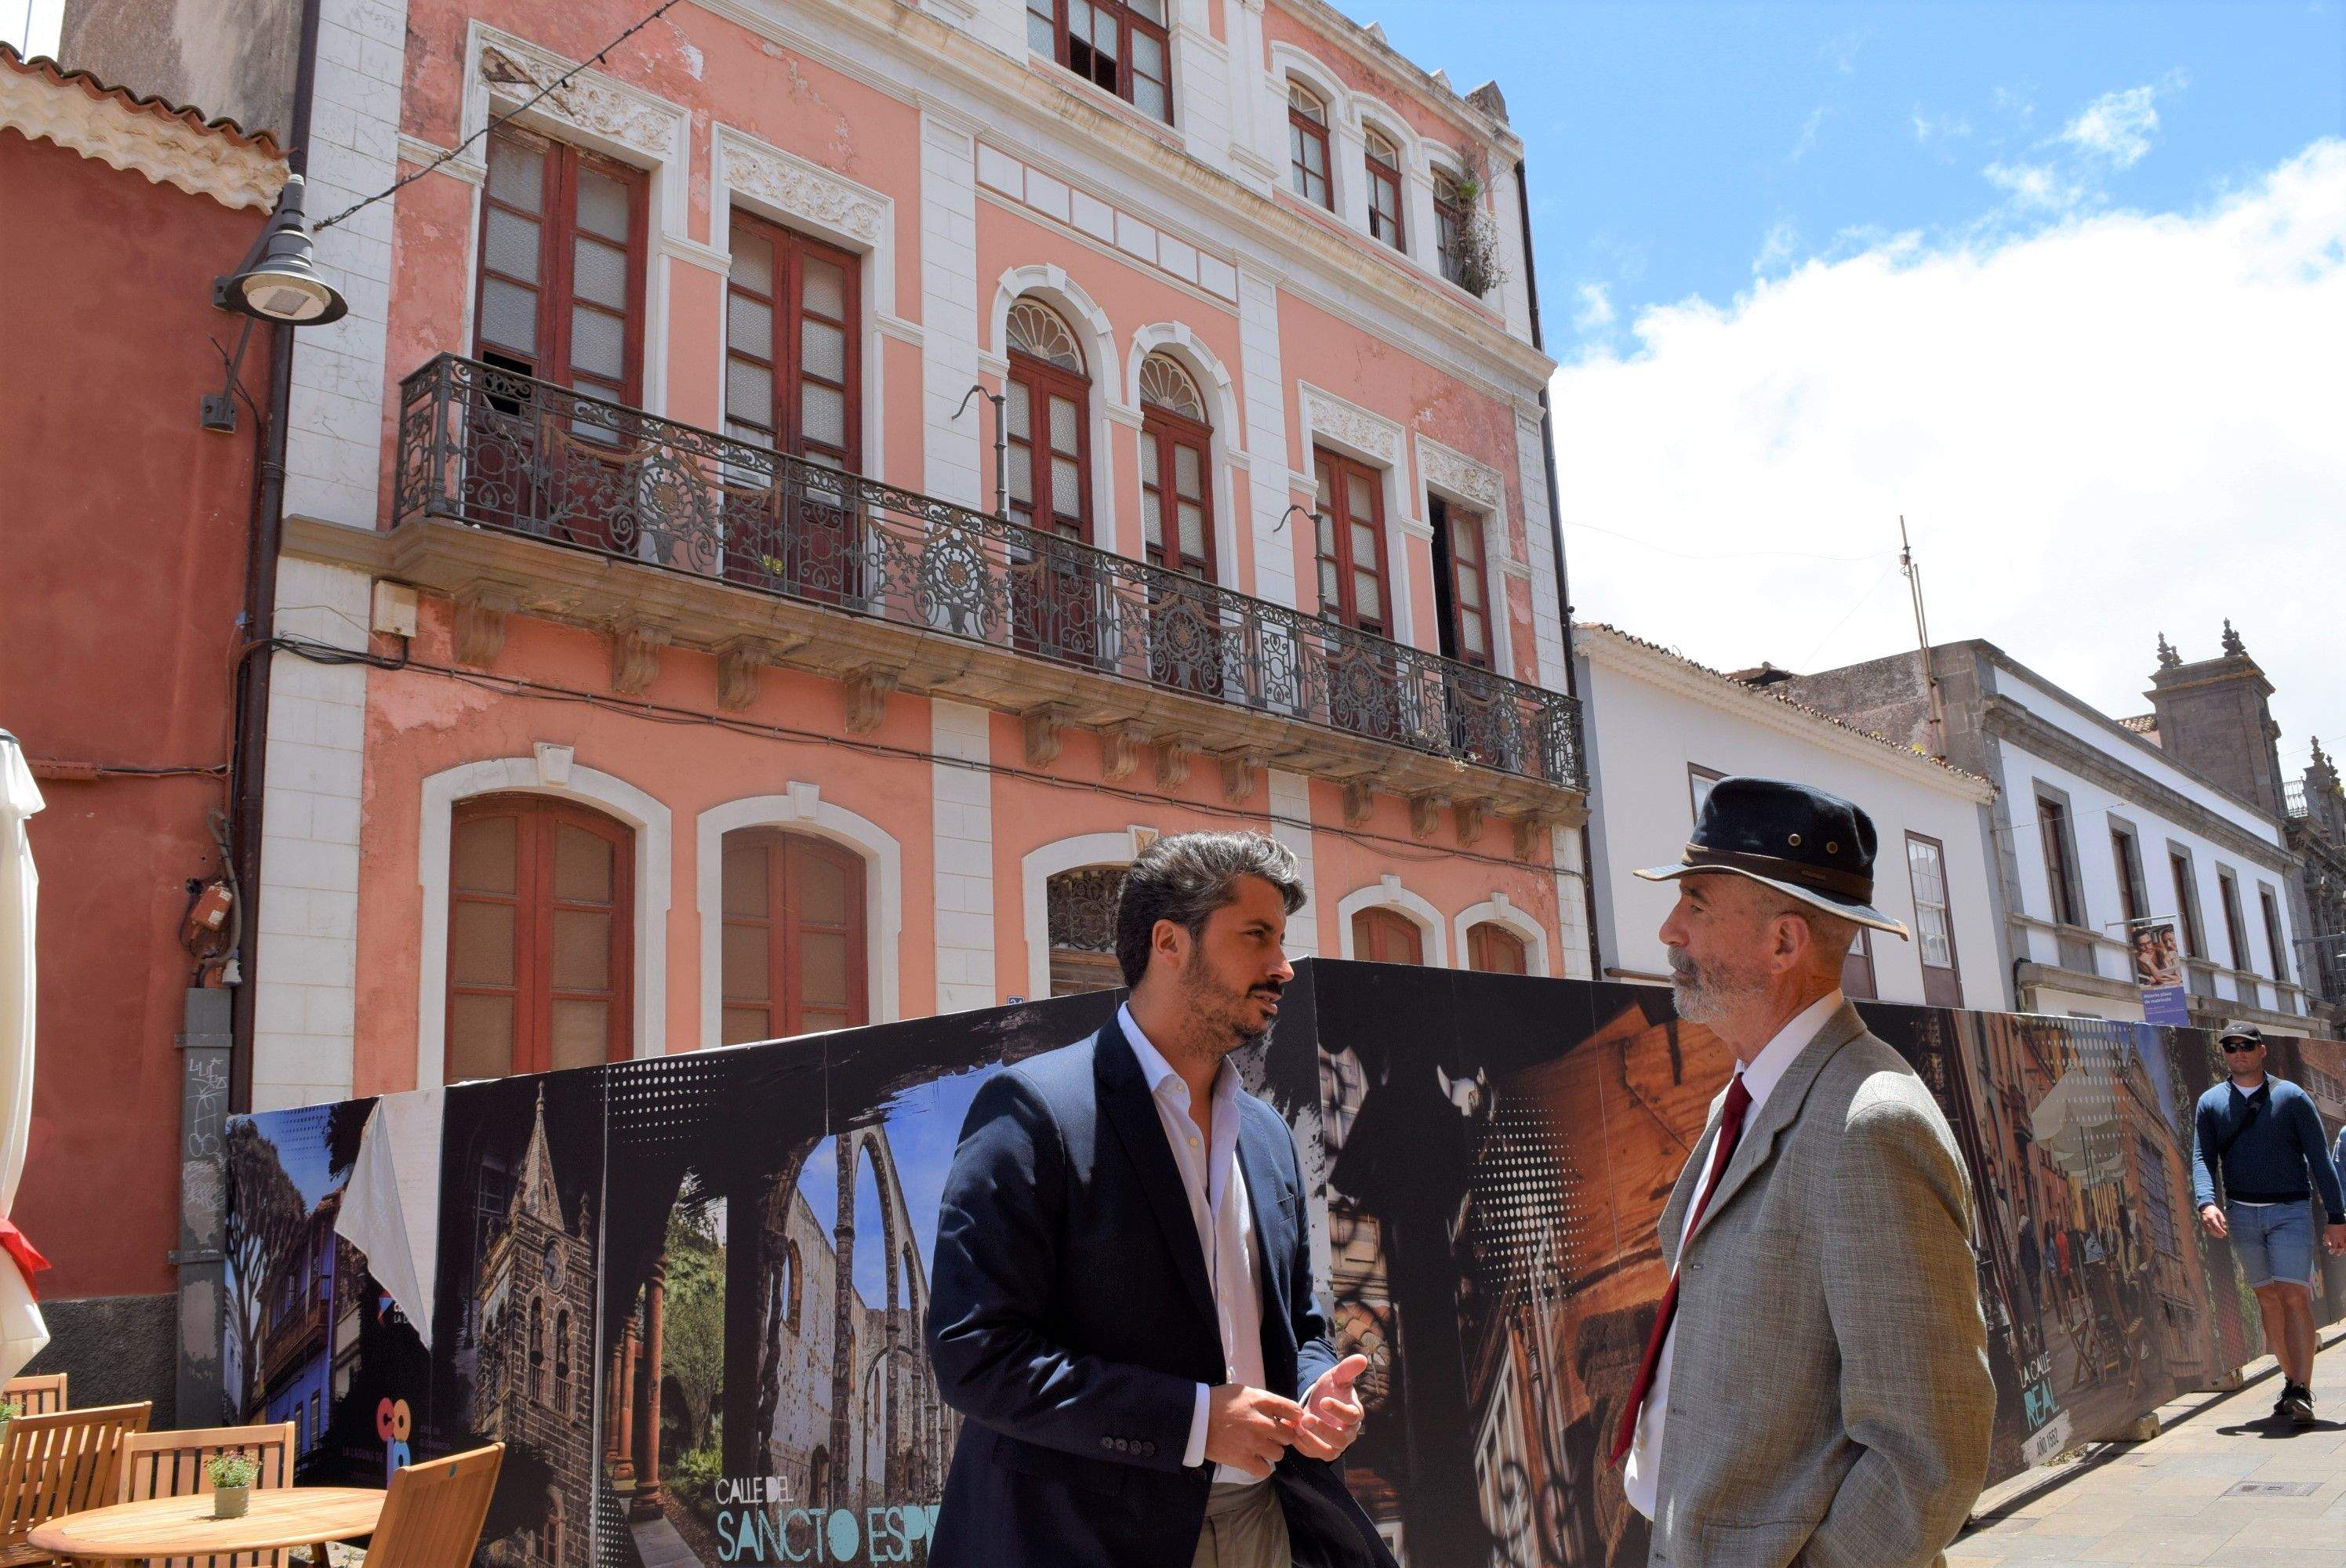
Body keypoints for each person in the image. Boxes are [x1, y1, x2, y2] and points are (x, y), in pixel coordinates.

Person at [924, 831, 1394, 1568]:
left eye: (1283, 939)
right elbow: (976, 1355)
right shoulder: (1033, 1112)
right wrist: (1198, 1422)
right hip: (1085, 1539)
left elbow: (1297, 1322)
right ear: (1169, 943)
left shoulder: (1266, 1134)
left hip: (1263, 1524)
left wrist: (1315, 1393)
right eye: (1256, 936)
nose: (1284, 965)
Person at [1618, 776, 1994, 1568]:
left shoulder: (1871, 1123)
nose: (1667, 929)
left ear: (1783, 942)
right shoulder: (1751, 1094)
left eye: (1695, 902)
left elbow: (1930, 1451)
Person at [2189, 1022, 2346, 1426]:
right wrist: (2207, 1202)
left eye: (2246, 1046)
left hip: (2291, 1210)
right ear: (2223, 1053)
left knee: (2294, 1294)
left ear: (2263, 1051)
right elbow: (2203, 1158)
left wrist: (2337, 1217)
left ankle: (2301, 1389)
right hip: (2242, 1214)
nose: (2238, 1052)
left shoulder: (2291, 1098)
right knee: (2268, 1298)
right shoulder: (2210, 1103)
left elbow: (2320, 1160)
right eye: (2230, 1047)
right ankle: (2292, 1382)